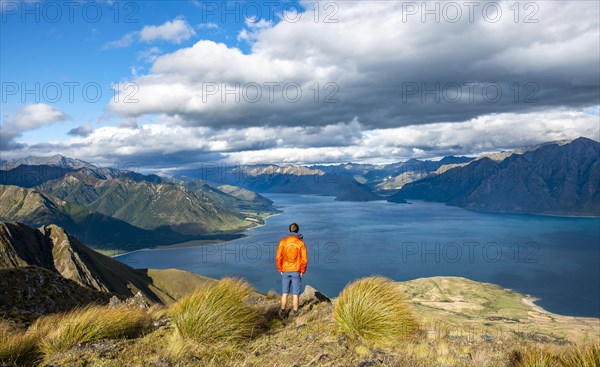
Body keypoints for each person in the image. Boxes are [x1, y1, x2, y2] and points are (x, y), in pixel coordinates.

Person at [276, 222, 308, 318]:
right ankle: (295, 313)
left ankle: (282, 311)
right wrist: (302, 271)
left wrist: (280, 269)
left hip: (285, 270)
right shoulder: (300, 243)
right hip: (296, 270)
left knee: (284, 293)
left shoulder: (283, 242)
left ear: (289, 230)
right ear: (297, 231)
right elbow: (304, 259)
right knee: (295, 294)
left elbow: (278, 257)